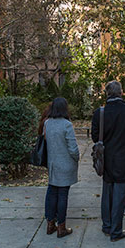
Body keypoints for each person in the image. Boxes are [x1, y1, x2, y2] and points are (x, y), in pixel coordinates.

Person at [91, 81, 125, 242]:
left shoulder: (100, 113)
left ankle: (107, 225)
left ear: (107, 93)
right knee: (120, 196)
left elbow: (94, 136)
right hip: (124, 157)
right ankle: (116, 231)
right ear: (120, 93)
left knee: (107, 193)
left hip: (106, 158)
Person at [43, 97, 80, 238]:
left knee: (52, 193)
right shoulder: (66, 125)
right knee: (63, 195)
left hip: (53, 164)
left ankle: (50, 224)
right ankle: (61, 227)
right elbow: (73, 148)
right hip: (65, 164)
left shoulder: (47, 123)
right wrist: (77, 158)